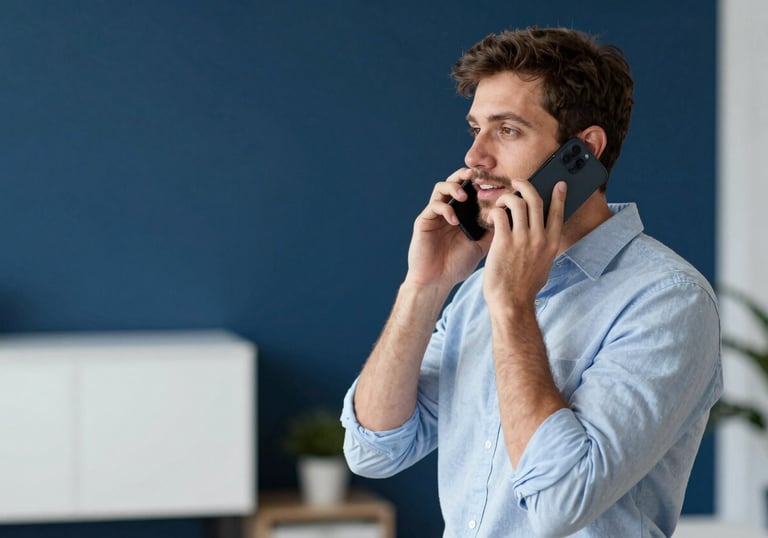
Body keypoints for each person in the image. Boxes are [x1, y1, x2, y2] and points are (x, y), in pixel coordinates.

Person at [340, 26, 722, 537]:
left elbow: (560, 503)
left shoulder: (668, 300)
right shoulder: (480, 290)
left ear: (583, 151)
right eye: (475, 128)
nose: (476, 157)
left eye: (507, 130)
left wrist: (514, 307)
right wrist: (425, 286)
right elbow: (373, 450)